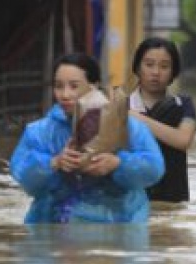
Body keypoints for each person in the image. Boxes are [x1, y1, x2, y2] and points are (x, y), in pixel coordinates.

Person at [10, 53, 165, 224]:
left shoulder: (129, 128)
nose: (64, 94)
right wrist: (54, 163)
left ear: (94, 86)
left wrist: (118, 163)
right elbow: (22, 175)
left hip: (119, 227)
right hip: (54, 226)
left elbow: (154, 169)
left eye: (74, 86)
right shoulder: (39, 132)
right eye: (58, 86)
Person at [128, 37, 196, 203]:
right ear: (137, 67)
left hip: (173, 202)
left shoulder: (183, 105)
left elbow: (183, 140)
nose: (156, 72)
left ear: (173, 72)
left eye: (164, 66)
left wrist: (137, 118)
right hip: (132, 204)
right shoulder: (120, 104)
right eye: (149, 64)